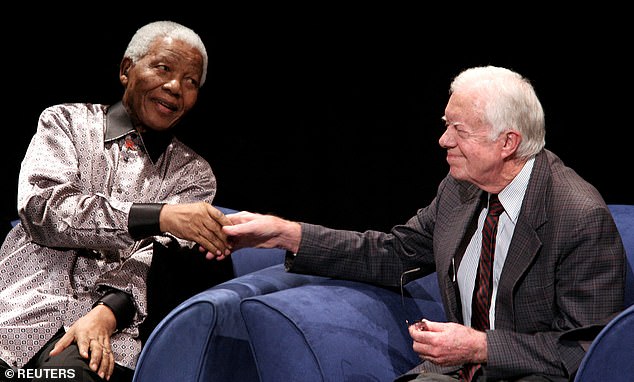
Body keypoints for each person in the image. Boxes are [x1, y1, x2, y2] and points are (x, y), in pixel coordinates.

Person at [222, 65, 626, 381]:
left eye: (458, 130)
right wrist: (286, 234)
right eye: (445, 124)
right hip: (456, 372)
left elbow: (586, 348)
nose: (443, 141)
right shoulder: (460, 188)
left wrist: (481, 347)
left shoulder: (579, 218)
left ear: (508, 143)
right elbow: (394, 254)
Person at [0, 21, 232, 382]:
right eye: (164, 68)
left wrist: (108, 313)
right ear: (127, 70)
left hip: (106, 334)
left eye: (191, 81)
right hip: (17, 310)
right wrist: (160, 216)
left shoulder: (193, 176)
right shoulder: (65, 122)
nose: (175, 88)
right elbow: (43, 211)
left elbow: (158, 264)